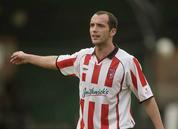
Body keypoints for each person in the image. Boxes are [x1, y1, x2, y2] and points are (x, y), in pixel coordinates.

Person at [10, 11, 164, 129]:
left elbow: (147, 98)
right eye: (92, 25)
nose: (94, 30)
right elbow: (55, 61)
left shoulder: (128, 62)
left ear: (113, 31)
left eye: (100, 26)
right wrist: (27, 57)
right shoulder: (82, 57)